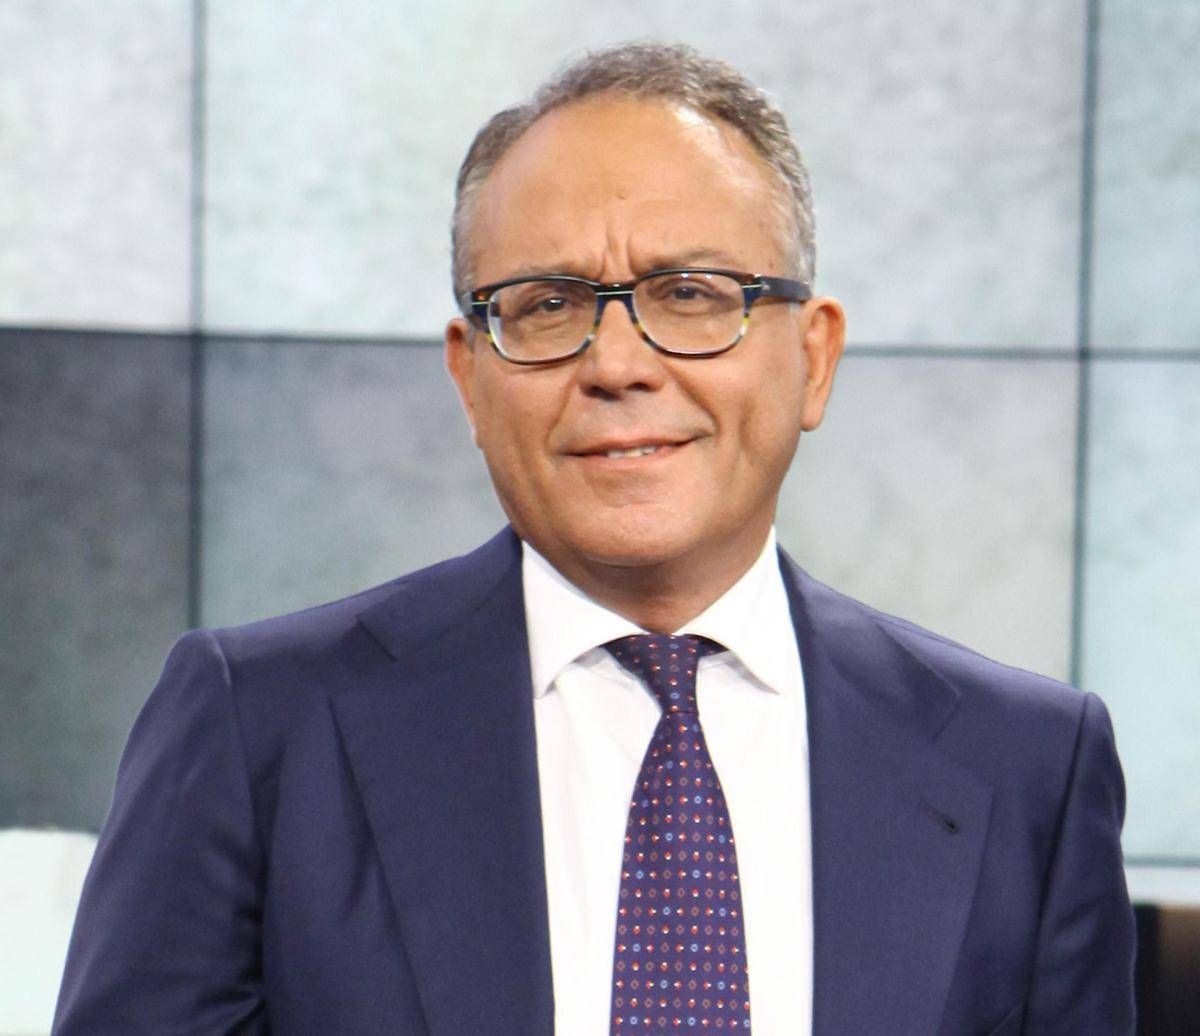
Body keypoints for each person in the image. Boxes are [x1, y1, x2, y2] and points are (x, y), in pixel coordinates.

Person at [54, 42, 1135, 1035]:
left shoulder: (1028, 767)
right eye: (546, 305)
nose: (617, 362)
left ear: (814, 358)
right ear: (469, 377)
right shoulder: (257, 728)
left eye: (692, 293)